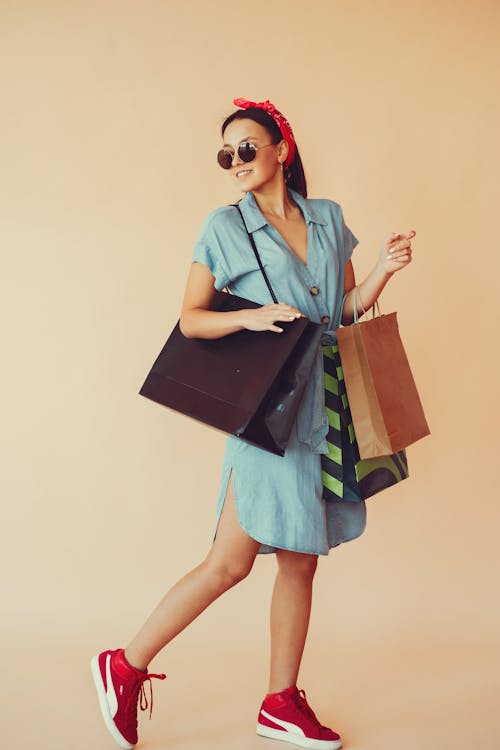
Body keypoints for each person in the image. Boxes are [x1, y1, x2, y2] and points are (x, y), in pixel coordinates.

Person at [90, 98, 415, 750]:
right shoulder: (223, 227)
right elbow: (190, 318)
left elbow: (342, 311)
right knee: (229, 564)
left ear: (281, 150)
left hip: (325, 413)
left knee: (300, 564)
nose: (235, 162)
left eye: (246, 147)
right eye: (227, 154)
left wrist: (383, 269)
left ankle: (279, 701)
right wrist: (249, 317)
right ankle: (124, 665)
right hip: (268, 415)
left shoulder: (328, 220)